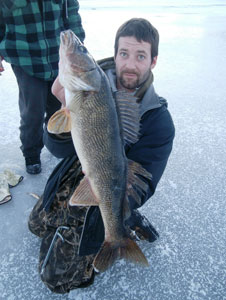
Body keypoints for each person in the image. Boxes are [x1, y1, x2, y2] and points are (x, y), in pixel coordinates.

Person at [28, 18, 175, 293]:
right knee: (36, 225)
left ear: (153, 61)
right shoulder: (93, 85)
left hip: (114, 188)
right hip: (83, 166)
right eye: (124, 53)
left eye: (140, 56)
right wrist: (63, 105)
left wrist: (112, 206)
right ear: (116, 53)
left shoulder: (159, 121)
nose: (130, 64)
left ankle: (122, 230)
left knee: (56, 278)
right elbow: (58, 149)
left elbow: (144, 183)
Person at [0, 0, 85, 174]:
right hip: (24, 57)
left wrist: (78, 47)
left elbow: (71, 9)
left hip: (58, 56)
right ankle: (31, 153)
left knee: (58, 106)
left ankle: (55, 140)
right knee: (33, 111)